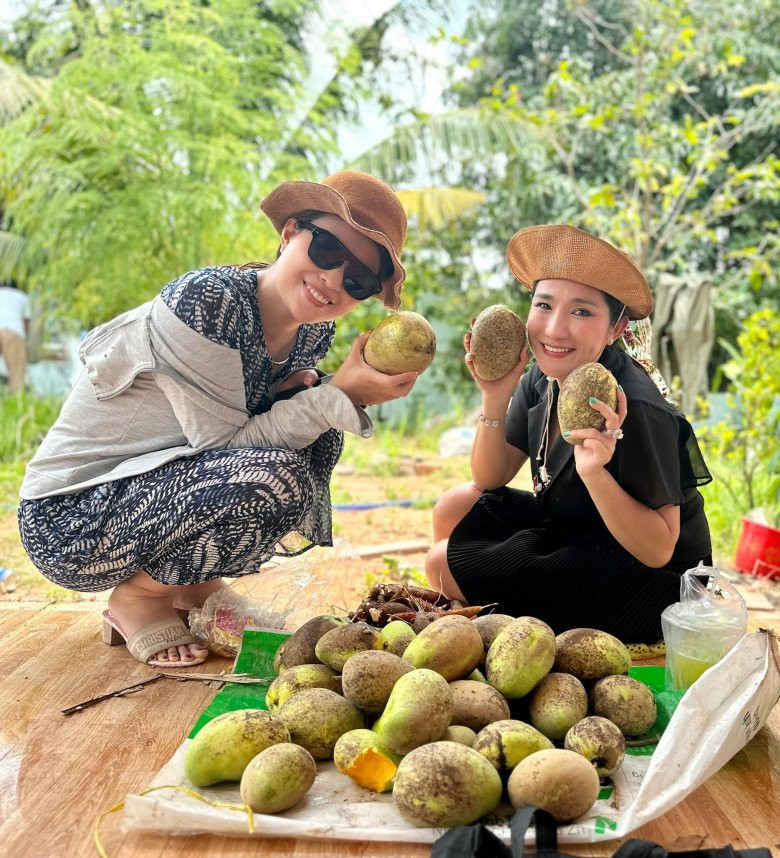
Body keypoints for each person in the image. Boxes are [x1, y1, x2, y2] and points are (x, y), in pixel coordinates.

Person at [18, 171, 418, 668]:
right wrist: (340, 393)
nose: (334, 279)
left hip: (153, 489)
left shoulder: (312, 334)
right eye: (327, 250)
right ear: (290, 233)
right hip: (70, 518)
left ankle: (192, 585)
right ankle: (140, 597)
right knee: (277, 472)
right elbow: (227, 451)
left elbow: (253, 426)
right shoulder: (208, 302)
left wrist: (323, 392)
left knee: (316, 430)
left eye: (357, 278)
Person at [425, 224, 713, 645]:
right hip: (579, 529)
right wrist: (495, 396)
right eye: (544, 305)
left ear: (616, 329)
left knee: (441, 565)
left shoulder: (637, 408)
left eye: (582, 311)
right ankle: (477, 615)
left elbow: (659, 551)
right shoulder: (542, 377)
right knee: (455, 505)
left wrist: (595, 472)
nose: (555, 330)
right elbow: (490, 478)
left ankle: (486, 625)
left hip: (653, 581)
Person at [0, 279, 31, 393]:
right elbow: (26, 324)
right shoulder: (22, 297)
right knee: (17, 375)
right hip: (12, 331)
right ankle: (15, 403)